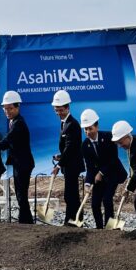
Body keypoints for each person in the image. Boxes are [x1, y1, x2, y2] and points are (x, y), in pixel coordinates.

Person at [0, 91, 35, 224]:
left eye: (10, 108)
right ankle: (25, 222)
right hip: (19, 163)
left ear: (17, 107)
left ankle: (26, 223)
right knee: (20, 194)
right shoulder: (14, 122)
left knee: (21, 195)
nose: (7, 111)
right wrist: (1, 143)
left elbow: (8, 140)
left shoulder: (18, 123)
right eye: (5, 108)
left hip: (23, 164)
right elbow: (12, 141)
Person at [80, 109, 127, 228]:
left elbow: (113, 159)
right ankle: (99, 228)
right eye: (85, 129)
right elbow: (90, 167)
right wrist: (87, 183)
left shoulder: (108, 137)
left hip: (112, 174)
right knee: (95, 203)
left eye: (90, 128)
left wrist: (101, 172)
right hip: (98, 179)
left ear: (97, 126)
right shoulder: (85, 145)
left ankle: (109, 227)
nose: (88, 132)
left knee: (107, 199)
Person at [51, 90, 83, 225]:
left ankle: (72, 221)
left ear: (67, 107)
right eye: (56, 110)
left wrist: (58, 165)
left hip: (72, 165)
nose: (58, 113)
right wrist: (60, 156)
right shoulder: (64, 123)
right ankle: (75, 220)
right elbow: (68, 148)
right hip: (68, 164)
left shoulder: (72, 124)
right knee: (71, 194)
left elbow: (70, 148)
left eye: (60, 110)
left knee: (71, 195)